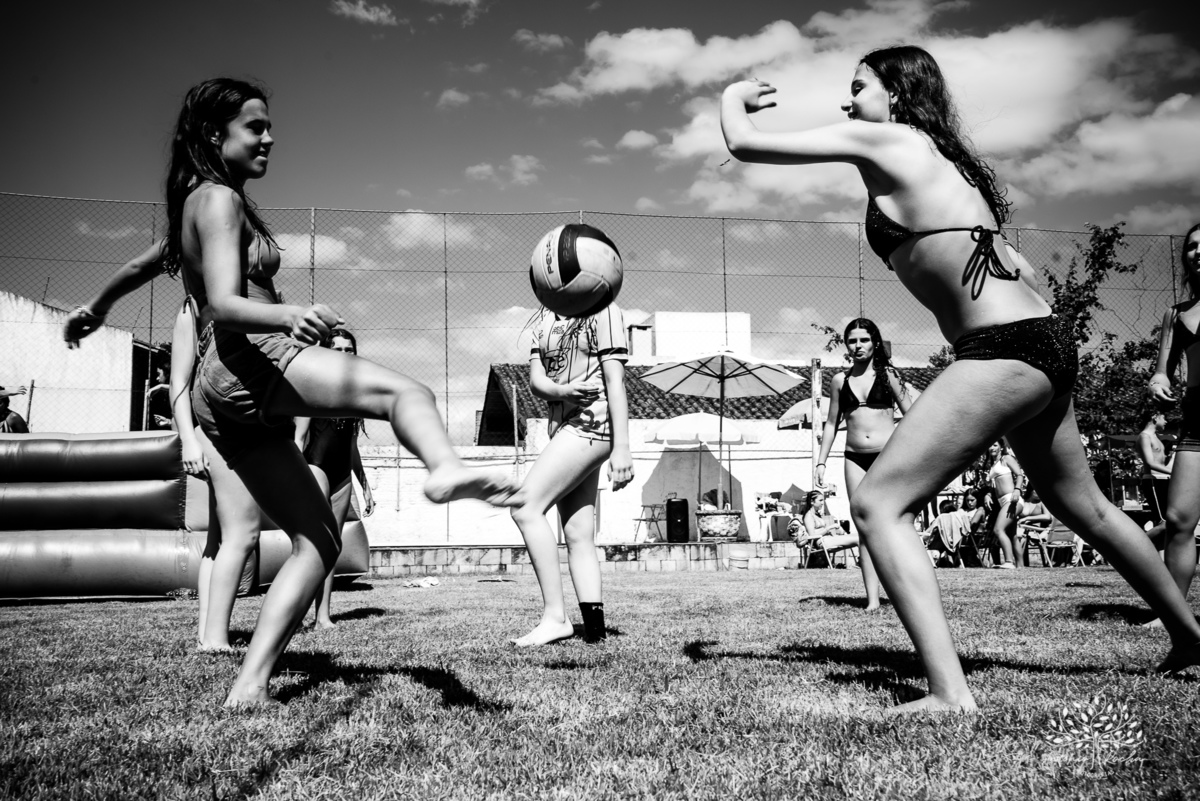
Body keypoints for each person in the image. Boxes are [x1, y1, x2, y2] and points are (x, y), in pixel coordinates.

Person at [721, 45, 1200, 712]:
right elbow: (1021, 268)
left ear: (894, 91)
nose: (846, 101)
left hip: (1001, 349)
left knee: (879, 504)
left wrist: (732, 100)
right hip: (1047, 342)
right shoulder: (954, 167)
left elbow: (744, 144)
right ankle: (1190, 634)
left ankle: (949, 692)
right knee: (1083, 507)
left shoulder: (885, 137)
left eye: (856, 87)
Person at [114, 78, 519, 705]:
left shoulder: (195, 203)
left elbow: (147, 264)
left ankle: (249, 684)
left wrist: (94, 306)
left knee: (319, 538)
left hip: (223, 393)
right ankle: (444, 471)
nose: (270, 136)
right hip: (252, 363)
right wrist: (287, 314)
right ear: (214, 135)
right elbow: (222, 303)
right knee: (406, 394)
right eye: (256, 127)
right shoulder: (218, 198)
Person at [65, 241, 262, 653]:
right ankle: (214, 638)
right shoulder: (193, 309)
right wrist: (188, 439)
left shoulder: (242, 307)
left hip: (237, 426)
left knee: (222, 536)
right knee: (237, 534)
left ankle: (210, 633)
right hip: (215, 430)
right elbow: (179, 384)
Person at [510, 304, 633, 647]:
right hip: (563, 430)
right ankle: (594, 630)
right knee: (578, 531)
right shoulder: (543, 323)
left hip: (591, 426)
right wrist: (562, 392)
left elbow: (615, 379)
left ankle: (555, 618)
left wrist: (622, 447)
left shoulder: (604, 311)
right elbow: (537, 382)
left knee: (524, 507)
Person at [815, 318, 912, 608]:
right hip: (853, 457)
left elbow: (912, 415)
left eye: (864, 340)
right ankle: (872, 600)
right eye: (852, 341)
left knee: (891, 523)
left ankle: (904, 591)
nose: (858, 346)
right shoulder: (839, 381)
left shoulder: (888, 376)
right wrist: (820, 463)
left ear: (875, 343)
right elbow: (832, 423)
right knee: (863, 526)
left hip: (887, 456)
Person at [294, 328, 375, 630]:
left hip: (342, 474)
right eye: (336, 349)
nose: (343, 354)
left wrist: (364, 487)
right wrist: (291, 479)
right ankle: (296, 611)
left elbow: (351, 446)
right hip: (314, 465)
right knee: (313, 543)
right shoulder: (310, 386)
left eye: (348, 349)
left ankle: (323, 616)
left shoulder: (356, 392)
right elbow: (300, 438)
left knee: (332, 545)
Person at [1147, 221, 1200, 616]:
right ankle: (1175, 615)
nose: (1198, 252)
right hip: (1197, 418)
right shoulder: (1175, 313)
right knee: (1180, 520)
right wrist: (1159, 380)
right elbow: (1163, 369)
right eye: (1192, 247)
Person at [983, 440, 1026, 568]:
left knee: (998, 529)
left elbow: (1019, 475)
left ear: (1002, 447)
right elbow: (996, 486)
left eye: (995, 445)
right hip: (1003, 502)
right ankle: (1021, 566)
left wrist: (1017, 490)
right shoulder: (992, 464)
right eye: (990, 445)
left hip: (1012, 500)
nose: (992, 448)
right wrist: (988, 494)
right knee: (1012, 535)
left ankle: (1008, 562)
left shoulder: (1006, 458)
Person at [1136, 408, 1173, 545]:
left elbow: (1163, 463)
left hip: (1164, 481)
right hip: (1153, 482)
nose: (1166, 421)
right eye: (1164, 417)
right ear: (1155, 417)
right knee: (1164, 523)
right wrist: (1173, 472)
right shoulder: (1144, 436)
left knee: (1170, 523)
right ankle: (1131, 547)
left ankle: (1162, 562)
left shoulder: (1156, 437)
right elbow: (1150, 463)